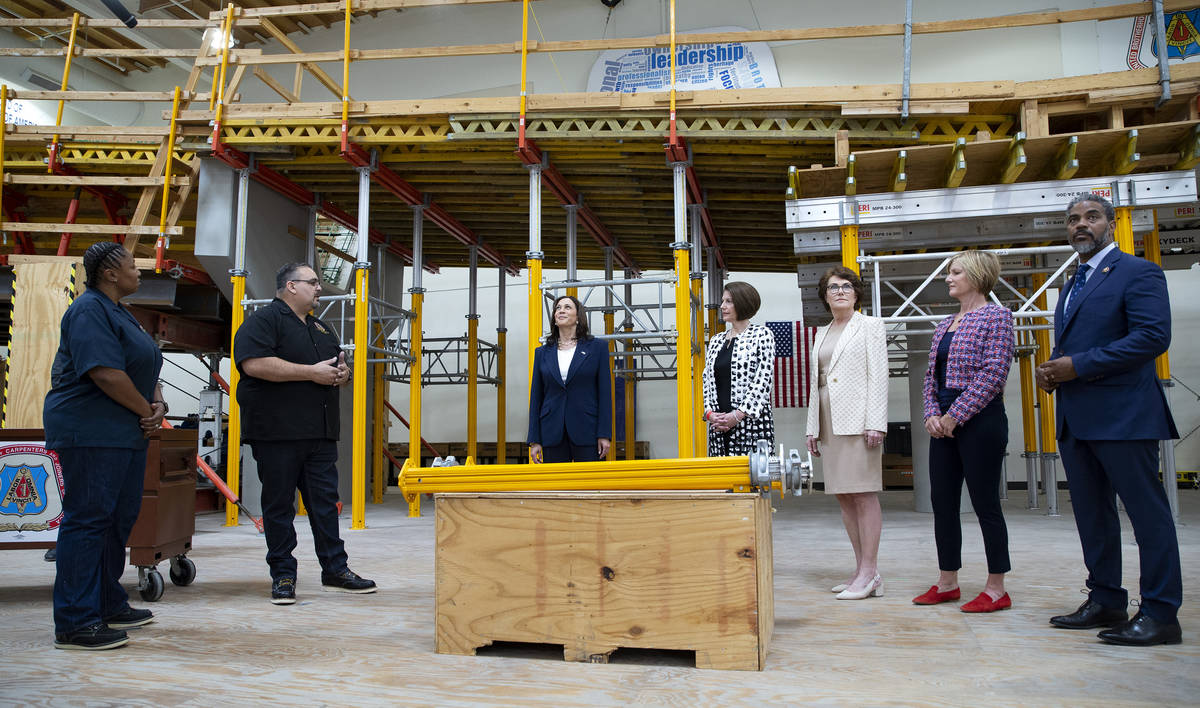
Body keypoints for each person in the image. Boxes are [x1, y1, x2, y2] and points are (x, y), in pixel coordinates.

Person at [1038, 194, 1182, 646]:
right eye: (1073, 219)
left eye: (1091, 217)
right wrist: (1054, 371)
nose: (1081, 225)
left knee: (1147, 517)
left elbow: (1152, 338)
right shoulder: (1073, 281)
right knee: (1093, 517)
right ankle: (1106, 600)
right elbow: (1084, 342)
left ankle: (1160, 614)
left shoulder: (1138, 272)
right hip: (1077, 419)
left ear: (1112, 224)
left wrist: (1077, 366)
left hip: (1124, 417)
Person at [44, 242, 165, 650]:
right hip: (90, 429)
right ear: (111, 274)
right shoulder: (88, 310)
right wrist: (146, 412)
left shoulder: (121, 312)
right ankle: (76, 622)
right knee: (89, 519)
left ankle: (106, 600)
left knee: (118, 519)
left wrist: (158, 403)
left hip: (123, 431)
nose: (139, 272)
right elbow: (105, 373)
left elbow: (144, 364)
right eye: (133, 266)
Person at [234, 262, 376, 605]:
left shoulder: (321, 329)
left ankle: (335, 570)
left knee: (325, 505)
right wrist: (309, 373)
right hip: (278, 433)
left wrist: (343, 374)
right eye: (312, 282)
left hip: (319, 433)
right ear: (291, 286)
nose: (319, 288)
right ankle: (283, 574)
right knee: (279, 506)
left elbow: (334, 367)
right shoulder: (263, 322)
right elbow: (253, 364)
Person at [914, 250, 1015, 613]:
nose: (948, 278)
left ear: (976, 275)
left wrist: (954, 416)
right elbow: (931, 377)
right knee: (943, 503)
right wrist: (931, 415)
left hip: (980, 419)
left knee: (986, 504)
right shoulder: (944, 324)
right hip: (941, 422)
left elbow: (993, 374)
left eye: (955, 272)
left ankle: (996, 587)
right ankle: (947, 581)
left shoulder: (997, 317)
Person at [804, 266, 888, 601]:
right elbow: (816, 384)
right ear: (825, 296)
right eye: (833, 287)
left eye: (847, 286)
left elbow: (878, 376)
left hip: (859, 421)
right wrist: (813, 426)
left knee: (864, 493)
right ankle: (863, 571)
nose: (840, 291)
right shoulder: (820, 333)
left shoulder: (870, 326)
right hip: (829, 420)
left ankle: (869, 571)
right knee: (843, 495)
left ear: (857, 292)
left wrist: (876, 422)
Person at [528, 295, 612, 463]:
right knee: (556, 487)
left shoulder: (597, 348)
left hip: (587, 429)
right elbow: (536, 397)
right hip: (552, 430)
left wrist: (604, 433)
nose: (561, 311)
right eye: (558, 308)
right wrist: (534, 439)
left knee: (590, 487)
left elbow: (605, 393)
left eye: (567, 307)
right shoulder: (542, 353)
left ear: (578, 317)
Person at [702, 281, 775, 456]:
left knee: (752, 477)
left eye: (729, 301)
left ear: (742, 303)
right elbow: (707, 381)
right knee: (722, 477)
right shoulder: (716, 341)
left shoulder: (762, 335)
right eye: (722, 301)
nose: (722, 306)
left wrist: (738, 415)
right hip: (719, 425)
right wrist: (710, 413)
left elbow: (763, 379)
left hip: (750, 424)